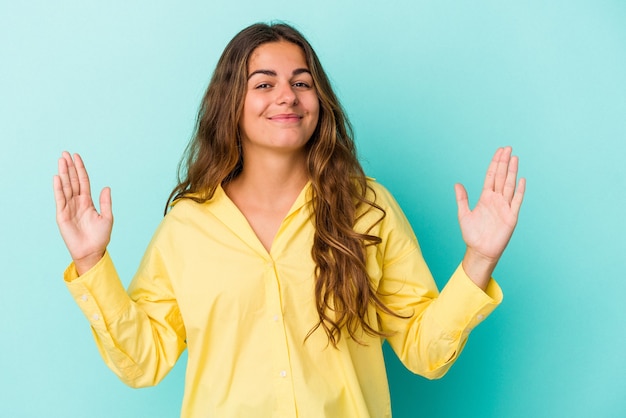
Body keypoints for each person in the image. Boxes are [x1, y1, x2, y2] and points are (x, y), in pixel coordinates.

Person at [53, 22, 525, 418]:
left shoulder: (368, 208)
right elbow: (143, 362)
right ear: (231, 105)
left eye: (302, 82)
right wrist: (92, 262)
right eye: (264, 83)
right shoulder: (187, 227)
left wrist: (478, 260)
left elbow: (425, 352)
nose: (288, 96)